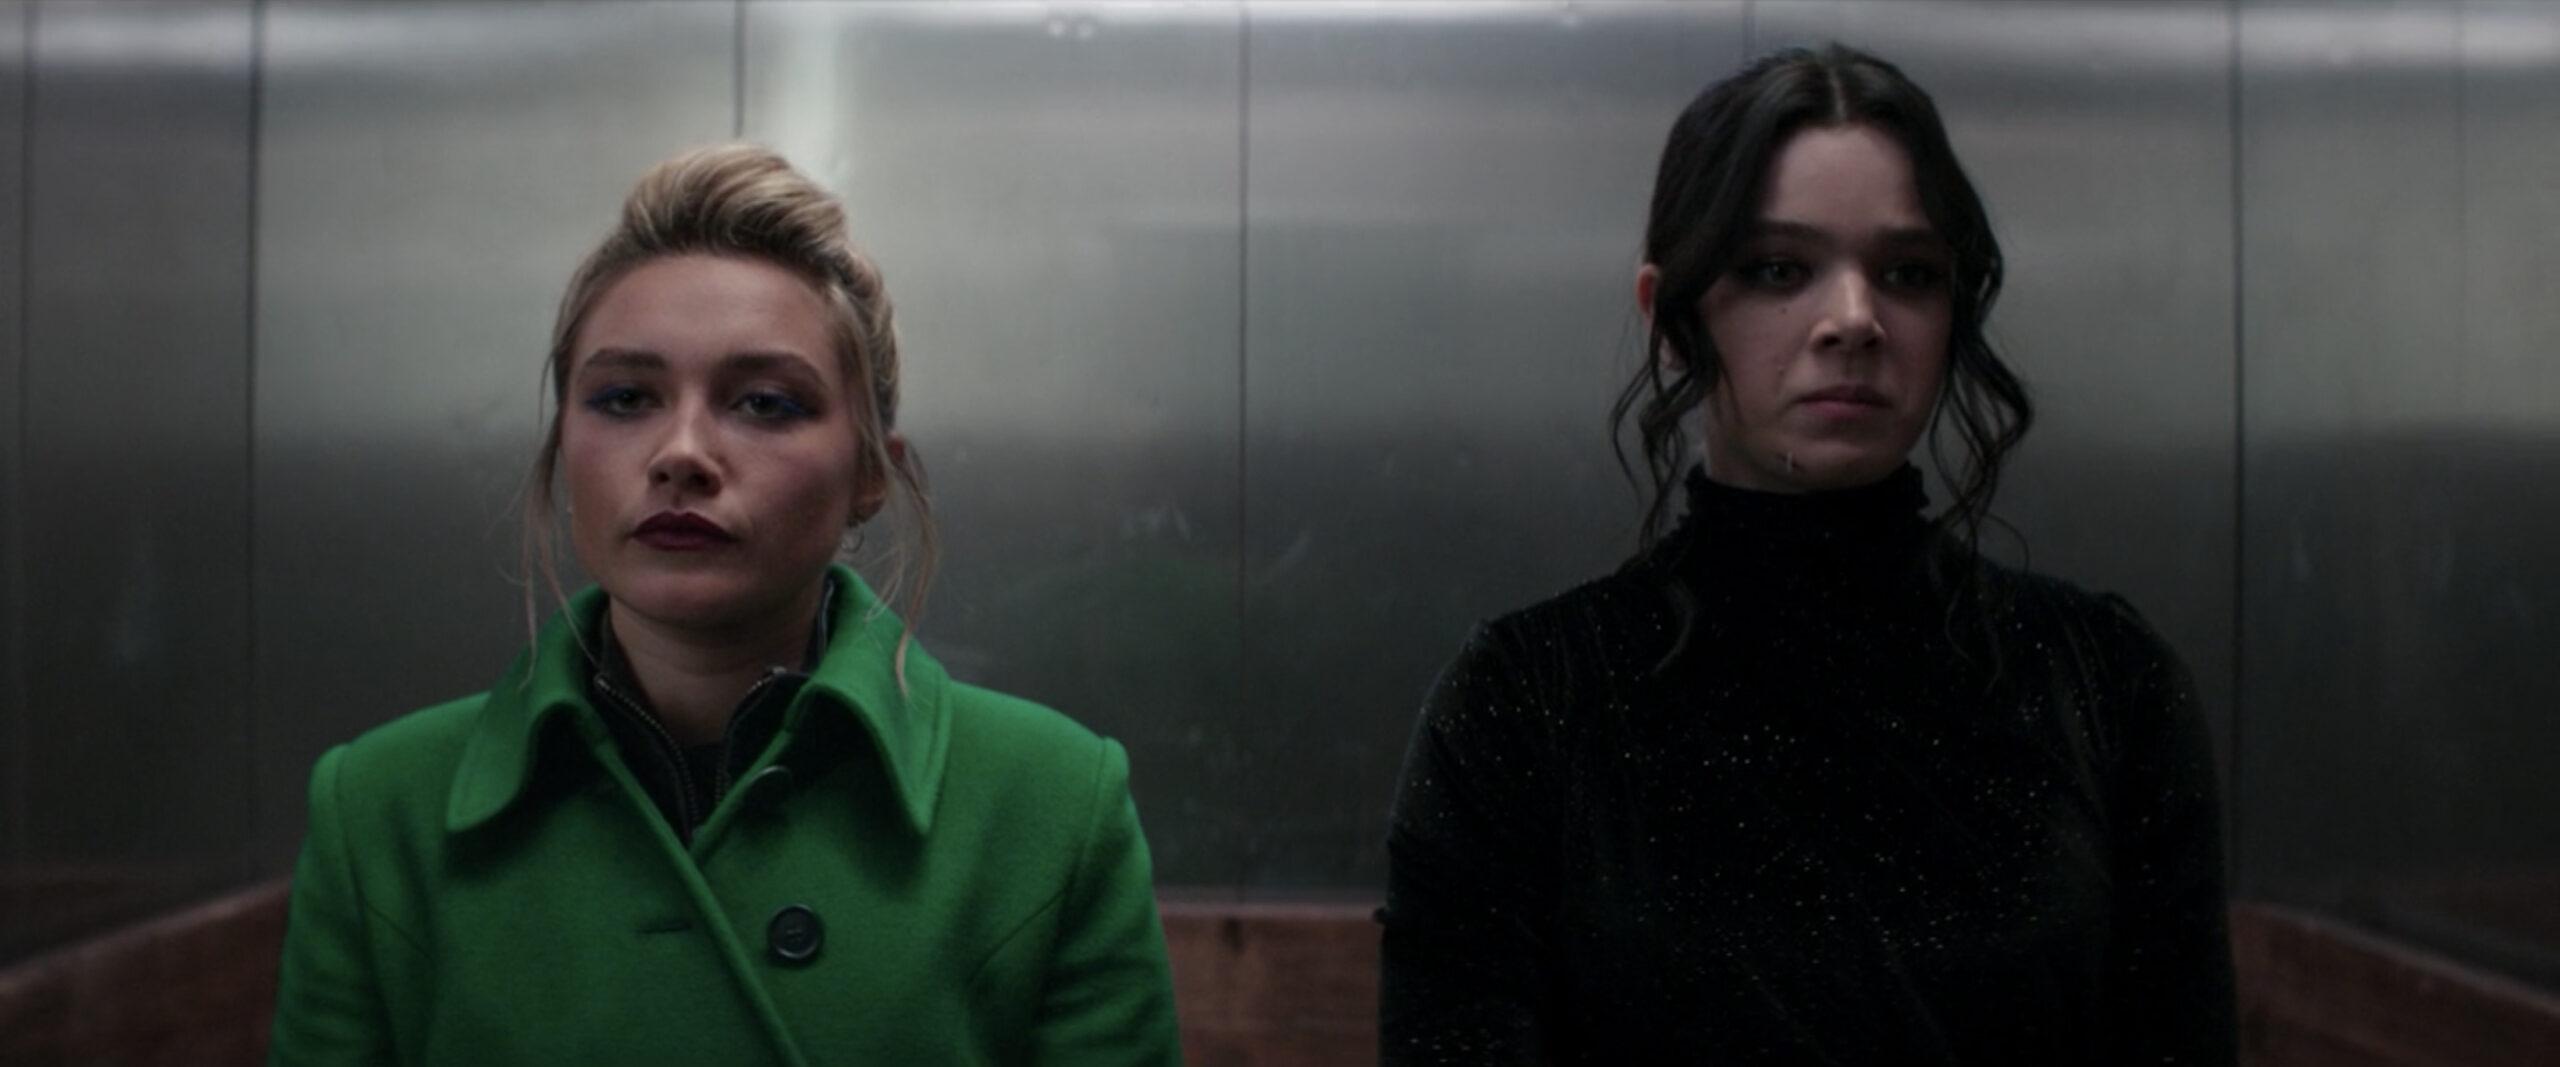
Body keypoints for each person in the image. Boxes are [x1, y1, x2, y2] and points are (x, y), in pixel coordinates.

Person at [1379, 44, 2235, 1064]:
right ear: (1670, 317)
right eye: (1778, 269)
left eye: (1907, 273)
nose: (1854, 320)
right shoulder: (1524, 704)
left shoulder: (2106, 687)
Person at [268, 144, 1183, 1065]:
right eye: (625, 397)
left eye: (766, 403)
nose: (682, 453)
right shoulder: (380, 811)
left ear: (872, 472)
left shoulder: (1052, 807)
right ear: (562, 447)